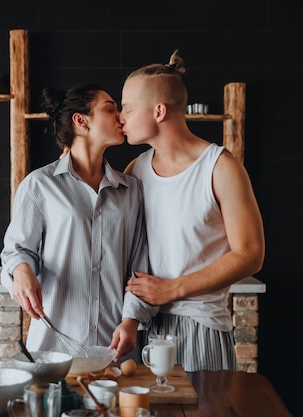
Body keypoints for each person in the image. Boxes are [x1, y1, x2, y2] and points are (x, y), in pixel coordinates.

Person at [120, 51, 265, 371]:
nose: (120, 117)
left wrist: (172, 289)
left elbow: (251, 253)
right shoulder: (136, 170)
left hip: (203, 328)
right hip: (148, 329)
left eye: (127, 108)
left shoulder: (220, 167)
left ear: (159, 111)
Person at [0, 83, 152, 361]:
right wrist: (21, 270)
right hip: (52, 351)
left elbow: (140, 266)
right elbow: (16, 250)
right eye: (110, 109)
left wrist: (131, 321)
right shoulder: (40, 185)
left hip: (114, 349)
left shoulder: (131, 191)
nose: (121, 117)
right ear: (81, 121)